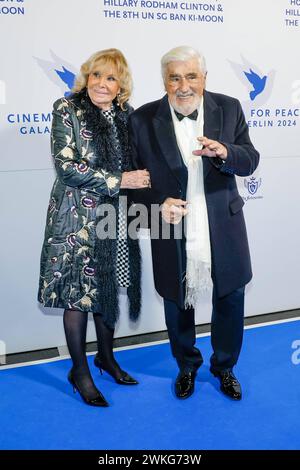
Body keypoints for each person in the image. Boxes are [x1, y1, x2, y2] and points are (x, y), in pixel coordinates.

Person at [128, 46, 259, 400]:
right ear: (164, 81)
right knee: (177, 300)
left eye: (191, 76)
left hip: (223, 223)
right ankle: (186, 365)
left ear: (204, 78)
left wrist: (227, 153)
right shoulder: (141, 120)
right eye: (174, 77)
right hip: (172, 226)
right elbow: (129, 182)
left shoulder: (229, 107)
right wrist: (158, 203)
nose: (183, 86)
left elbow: (250, 160)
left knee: (230, 298)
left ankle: (225, 367)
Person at [38, 49, 150, 407]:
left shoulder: (125, 115)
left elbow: (140, 163)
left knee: (108, 286)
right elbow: (66, 166)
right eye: (97, 75)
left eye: (111, 78)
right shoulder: (66, 108)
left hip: (115, 216)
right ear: (86, 77)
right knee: (77, 292)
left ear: (122, 85)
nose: (102, 83)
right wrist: (121, 179)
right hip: (74, 217)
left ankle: (106, 357)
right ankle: (80, 371)